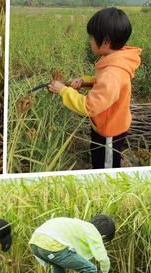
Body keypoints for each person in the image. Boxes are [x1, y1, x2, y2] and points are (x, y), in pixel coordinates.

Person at [48, 7, 141, 169]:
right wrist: (84, 81)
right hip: (104, 125)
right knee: (98, 155)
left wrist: (63, 91)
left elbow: (89, 106)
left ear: (105, 42)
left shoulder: (112, 73)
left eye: (91, 38)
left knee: (106, 167)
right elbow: (102, 83)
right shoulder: (114, 59)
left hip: (109, 132)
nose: (89, 42)